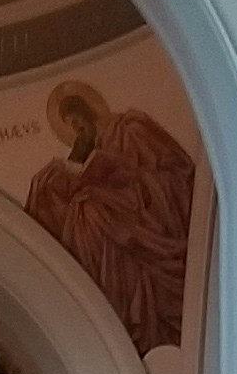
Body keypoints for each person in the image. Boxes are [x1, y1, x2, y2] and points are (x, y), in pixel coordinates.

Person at [27, 85, 196, 359]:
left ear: (90, 112)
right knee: (69, 199)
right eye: (69, 125)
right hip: (115, 239)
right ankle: (110, 306)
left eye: (77, 120)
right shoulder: (84, 151)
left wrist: (116, 185)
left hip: (146, 220)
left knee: (91, 208)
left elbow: (175, 176)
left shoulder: (131, 129)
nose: (76, 129)